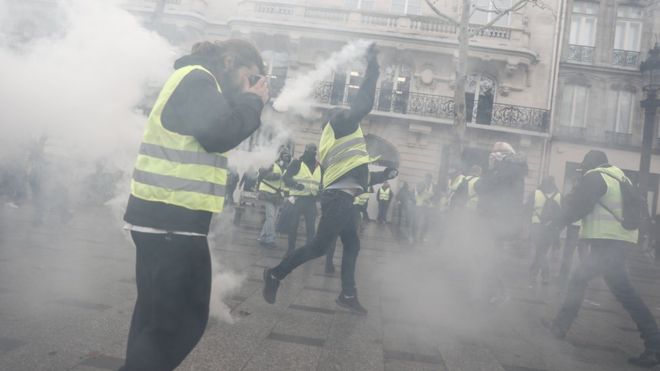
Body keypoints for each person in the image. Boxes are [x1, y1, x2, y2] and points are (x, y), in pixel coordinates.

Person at [120, 39, 268, 371]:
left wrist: (243, 98)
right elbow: (218, 133)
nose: (252, 84)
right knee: (177, 321)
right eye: (250, 75)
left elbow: (214, 124)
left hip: (163, 220)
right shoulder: (198, 78)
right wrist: (251, 102)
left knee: (154, 320)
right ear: (229, 61)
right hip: (172, 222)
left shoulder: (196, 79)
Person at [262, 43, 398, 315]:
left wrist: (382, 175)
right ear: (337, 117)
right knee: (320, 247)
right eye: (344, 111)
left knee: (352, 245)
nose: (350, 113)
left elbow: (351, 175)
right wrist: (373, 66)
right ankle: (275, 274)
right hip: (339, 200)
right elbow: (364, 102)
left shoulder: (339, 137)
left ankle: (348, 295)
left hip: (342, 196)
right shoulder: (342, 124)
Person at [545, 150, 660, 368]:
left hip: (608, 243)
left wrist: (555, 224)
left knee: (601, 285)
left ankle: (655, 345)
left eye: (584, 166)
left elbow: (578, 205)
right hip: (618, 242)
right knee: (595, 283)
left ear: (590, 163)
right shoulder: (619, 177)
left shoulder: (596, 176)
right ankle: (559, 326)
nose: (584, 171)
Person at [474, 142, 527, 304]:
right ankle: (493, 293)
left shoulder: (506, 170)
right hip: (499, 220)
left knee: (489, 257)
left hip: (498, 221)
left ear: (503, 156)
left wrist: (490, 170)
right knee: (489, 257)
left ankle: (494, 294)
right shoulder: (513, 170)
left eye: (495, 154)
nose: (492, 157)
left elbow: (481, 186)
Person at [282, 143, 321, 253]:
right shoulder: (297, 163)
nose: (312, 154)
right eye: (310, 151)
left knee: (311, 228)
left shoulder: (318, 166)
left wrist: (320, 190)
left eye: (314, 152)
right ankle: (290, 249)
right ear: (306, 151)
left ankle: (308, 250)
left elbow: (320, 182)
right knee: (293, 225)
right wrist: (295, 185)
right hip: (298, 199)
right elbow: (286, 177)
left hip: (311, 200)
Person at [528, 176, 562, 286]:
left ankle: (542, 274)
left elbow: (527, 210)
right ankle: (536, 273)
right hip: (551, 228)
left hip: (536, 225)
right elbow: (562, 214)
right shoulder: (559, 196)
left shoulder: (535, 193)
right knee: (542, 251)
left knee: (540, 251)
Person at [257, 150, 290, 248]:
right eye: (285, 156)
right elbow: (264, 175)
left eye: (288, 157)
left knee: (272, 218)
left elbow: (284, 184)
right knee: (271, 217)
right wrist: (279, 176)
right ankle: (270, 239)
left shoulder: (287, 168)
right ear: (280, 157)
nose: (287, 158)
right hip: (267, 193)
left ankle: (263, 237)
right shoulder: (272, 164)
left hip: (278, 196)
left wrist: (287, 195)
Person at [414, 173, 435, 244]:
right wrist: (423, 187)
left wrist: (430, 200)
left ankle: (422, 237)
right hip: (419, 205)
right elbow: (418, 192)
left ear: (431, 179)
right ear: (424, 178)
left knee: (426, 223)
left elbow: (434, 196)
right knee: (417, 221)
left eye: (429, 179)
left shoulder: (433, 186)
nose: (428, 180)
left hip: (428, 206)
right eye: (426, 178)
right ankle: (414, 236)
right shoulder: (420, 184)